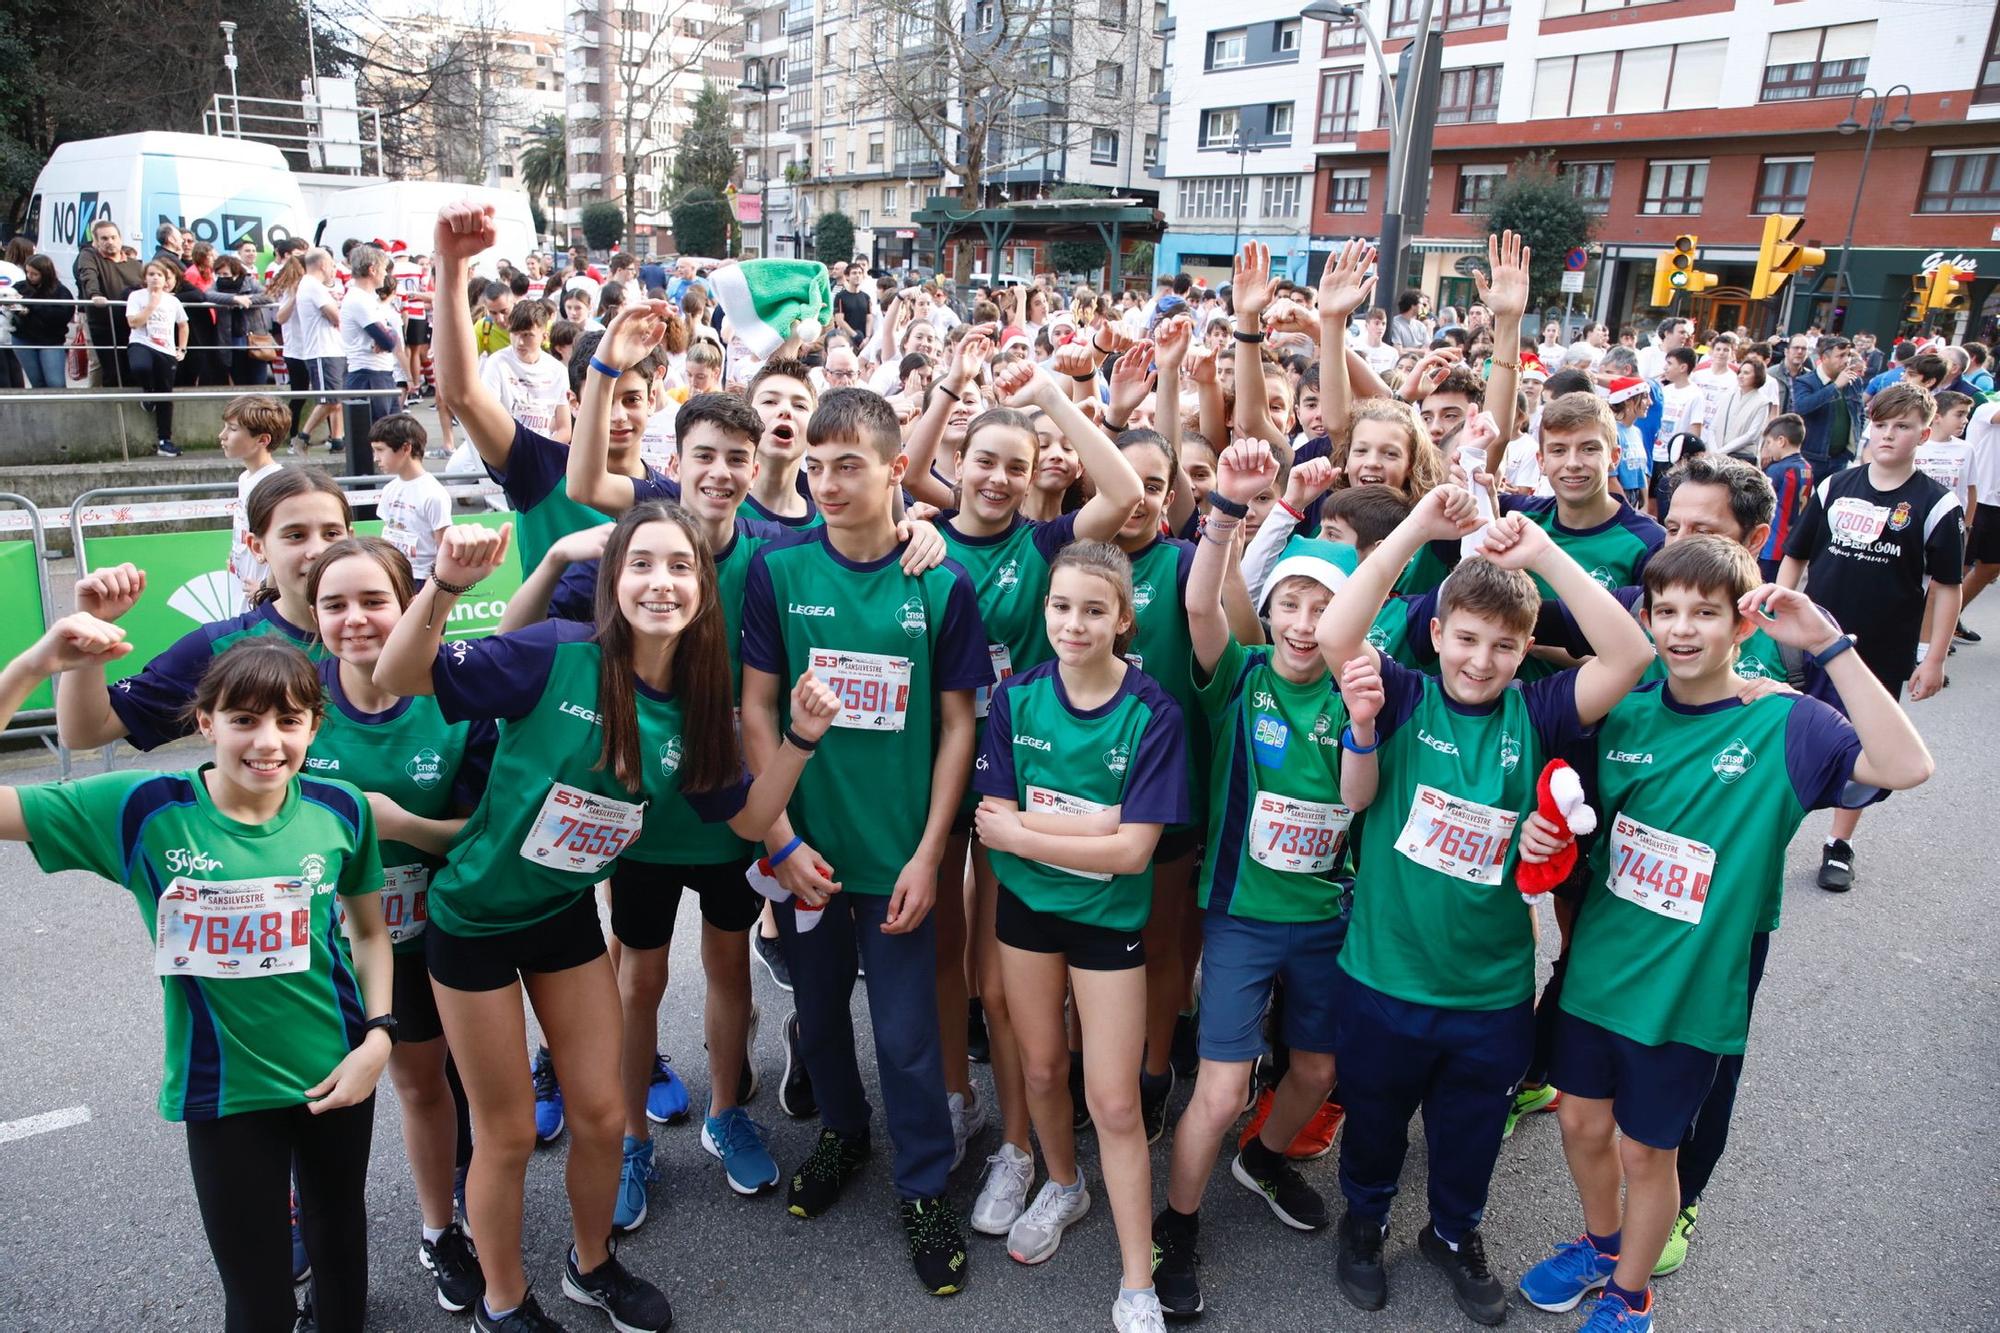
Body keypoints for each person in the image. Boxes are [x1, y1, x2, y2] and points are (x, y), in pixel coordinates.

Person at [373, 507, 840, 1333]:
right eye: (642, 565)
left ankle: (590, 1265)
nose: (661, 582)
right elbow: (399, 673)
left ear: (702, 591)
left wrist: (801, 739)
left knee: (598, 1114)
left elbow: (744, 820)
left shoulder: (699, 704)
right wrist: (443, 585)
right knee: (509, 1132)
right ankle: (504, 1302)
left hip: (563, 917)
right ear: (615, 581)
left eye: (679, 568)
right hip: (473, 922)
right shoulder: (552, 653)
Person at [1516, 539, 1933, 1333]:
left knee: (1649, 1153)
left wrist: (1831, 646)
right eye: (1666, 611)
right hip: (1601, 968)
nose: (1681, 629)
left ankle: (1631, 1294)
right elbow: (1581, 829)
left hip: (1691, 994)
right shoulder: (1624, 714)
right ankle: (1601, 1246)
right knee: (1578, 1121)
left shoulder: (1786, 722)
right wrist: (1546, 840)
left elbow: (1906, 765)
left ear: (1741, 623)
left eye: (1704, 613)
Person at [1316, 488, 1655, 1327]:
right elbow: (1335, 631)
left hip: (1490, 987)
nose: (1481, 659)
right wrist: (1419, 529)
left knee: (1470, 1129)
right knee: (1377, 1118)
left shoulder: (1538, 709)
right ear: (1435, 635)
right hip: (1386, 971)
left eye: (1503, 646)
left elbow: (1629, 654)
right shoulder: (1400, 695)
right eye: (1466, 638)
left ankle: (1454, 1229)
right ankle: (1365, 1217)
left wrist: (1541, 552)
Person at [1, 624, 394, 1333]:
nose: (267, 741)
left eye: (288, 720)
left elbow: (368, 931)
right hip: (225, 1093)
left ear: (313, 725)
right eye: (244, 719)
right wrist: (35, 664)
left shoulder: (343, 808)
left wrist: (379, 1037)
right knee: (258, 1303)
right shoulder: (144, 808)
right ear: (206, 720)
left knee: (342, 1269)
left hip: (340, 1073)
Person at [737, 387, 991, 1297]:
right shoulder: (779, 573)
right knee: (818, 1013)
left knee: (908, 1033)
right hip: (806, 854)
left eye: (849, 464)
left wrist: (930, 854)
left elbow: (958, 725)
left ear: (895, 469)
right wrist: (781, 839)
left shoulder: (940, 577)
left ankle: (924, 1185)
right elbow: (757, 710)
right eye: (816, 463)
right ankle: (842, 1133)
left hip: (898, 859)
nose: (827, 481)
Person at [898, 339, 1145, 1236]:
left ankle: (1018, 1145)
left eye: (1018, 465)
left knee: (1002, 983)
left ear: (1039, 473)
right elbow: (907, 469)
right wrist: (951, 391)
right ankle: (962, 1099)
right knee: (941, 949)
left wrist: (1053, 395)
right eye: (984, 462)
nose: (998, 480)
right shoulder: (919, 540)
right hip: (934, 764)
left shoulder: (1048, 545)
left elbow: (1122, 495)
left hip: (1025, 775)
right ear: (958, 465)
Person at [1154, 442, 1360, 1322]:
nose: (1308, 622)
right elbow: (1202, 598)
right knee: (1222, 1088)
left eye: (1328, 606)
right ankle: (1177, 1223)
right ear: (1270, 610)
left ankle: (1265, 1157)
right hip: (1240, 914)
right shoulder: (1237, 677)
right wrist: (1228, 514)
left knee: (1314, 1071)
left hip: (1326, 917)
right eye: (1293, 602)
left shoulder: (1365, 694)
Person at [972, 540, 1188, 1333]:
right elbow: (988, 821)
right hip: (1029, 913)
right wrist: (1093, 821)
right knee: (1038, 1064)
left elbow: (1133, 852)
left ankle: (1138, 1282)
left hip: (1108, 922)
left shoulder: (1152, 713)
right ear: (1046, 609)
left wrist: (1030, 831)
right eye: (1061, 606)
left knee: (1115, 1099)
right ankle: (1063, 1181)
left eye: (1094, 609)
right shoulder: (1016, 697)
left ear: (1123, 619)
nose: (1074, 622)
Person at [305, 537, 489, 1314]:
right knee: (311, 1103)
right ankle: (311, 1244)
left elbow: (485, 833)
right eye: (334, 604)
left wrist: (403, 824)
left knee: (421, 1082)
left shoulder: (454, 699)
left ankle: (440, 1229)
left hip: (421, 935)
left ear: (410, 603)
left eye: (375, 600)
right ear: (312, 617)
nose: (356, 620)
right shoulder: (296, 705)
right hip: (314, 950)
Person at [1779, 382, 1964, 892]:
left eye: (1902, 426)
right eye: (1881, 424)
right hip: (1808, 646)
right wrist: (1770, 614)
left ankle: (1840, 843)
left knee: (1866, 750)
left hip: (1879, 653)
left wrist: (1935, 658)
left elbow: (1947, 588)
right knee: (1787, 733)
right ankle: (1769, 830)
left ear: (1923, 434)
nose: (1888, 435)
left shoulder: (1937, 504)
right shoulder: (1834, 487)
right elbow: (1795, 554)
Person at [280, 248, 347, 456]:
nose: (334, 270)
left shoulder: (310, 285)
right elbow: (336, 316)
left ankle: (338, 439)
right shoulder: (312, 286)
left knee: (335, 398)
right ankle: (303, 437)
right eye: (332, 265)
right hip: (322, 349)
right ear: (323, 265)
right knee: (329, 399)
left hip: (330, 349)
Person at [340, 245, 401, 467]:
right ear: (373, 269)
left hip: (379, 373)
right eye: (385, 269)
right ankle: (367, 492)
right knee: (374, 440)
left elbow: (389, 337)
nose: (387, 275)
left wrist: (389, 336)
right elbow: (386, 340)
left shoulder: (366, 299)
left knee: (392, 434)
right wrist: (389, 337)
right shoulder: (358, 299)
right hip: (368, 375)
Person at [372, 414, 453, 582]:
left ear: (406, 448)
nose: (375, 458)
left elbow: (444, 548)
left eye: (380, 450)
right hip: (395, 573)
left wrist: (436, 584)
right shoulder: (389, 489)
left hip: (423, 578)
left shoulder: (433, 494)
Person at [123, 258, 189, 456]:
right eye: (151, 274)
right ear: (145, 277)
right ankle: (147, 392)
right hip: (142, 342)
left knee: (166, 395)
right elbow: (133, 323)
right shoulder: (136, 296)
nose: (155, 278)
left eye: (159, 275)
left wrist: (182, 349)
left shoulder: (173, 301)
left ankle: (164, 440)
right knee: (140, 367)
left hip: (166, 349)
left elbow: (183, 324)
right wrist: (151, 305)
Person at [480, 300, 571, 441]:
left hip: (542, 447)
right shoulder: (497, 363)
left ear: (544, 336)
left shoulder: (558, 370)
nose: (519, 342)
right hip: (505, 446)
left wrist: (544, 453)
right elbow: (488, 415)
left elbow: (564, 428)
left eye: (527, 335)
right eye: (514, 334)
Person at [1790, 336, 1864, 484]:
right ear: (1824, 358)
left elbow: (1859, 415)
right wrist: (1835, 387)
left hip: (1840, 459)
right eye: (1841, 356)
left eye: (1848, 355)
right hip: (1812, 458)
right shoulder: (1806, 381)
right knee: (1805, 504)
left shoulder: (1854, 381)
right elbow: (1801, 407)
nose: (1846, 360)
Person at [1757, 414, 1811, 582]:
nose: (1768, 448)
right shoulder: (1807, 468)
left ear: (1781, 441)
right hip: (1792, 541)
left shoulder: (1778, 470)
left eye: (1769, 443)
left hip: (1772, 545)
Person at [210, 254, 274, 386]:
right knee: (240, 381)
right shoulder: (217, 285)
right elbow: (208, 294)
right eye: (219, 274)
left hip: (255, 341)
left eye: (226, 274)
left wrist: (248, 299)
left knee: (259, 381)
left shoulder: (249, 281)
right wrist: (234, 299)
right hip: (231, 341)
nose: (222, 277)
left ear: (235, 272)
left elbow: (268, 296)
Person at [13, 253, 74, 388]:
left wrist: (30, 305)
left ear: (45, 274)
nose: (30, 276)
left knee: (55, 383)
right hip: (23, 338)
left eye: (34, 274)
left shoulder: (61, 292)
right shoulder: (20, 287)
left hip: (50, 340)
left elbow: (62, 316)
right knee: (37, 382)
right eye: (27, 272)